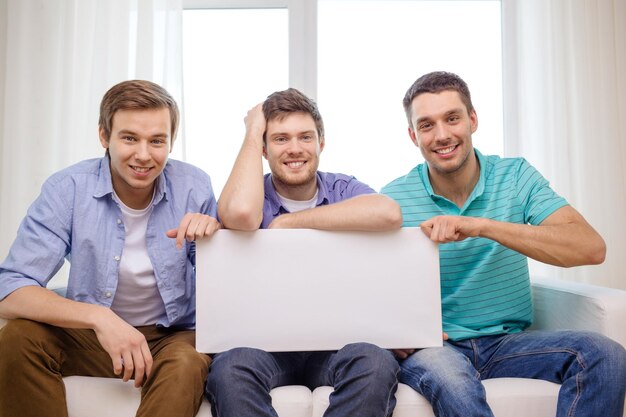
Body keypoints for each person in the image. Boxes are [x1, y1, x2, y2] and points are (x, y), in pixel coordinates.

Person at [381, 71, 626, 417]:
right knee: (454, 383)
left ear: (473, 119)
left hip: (507, 343)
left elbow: (590, 248)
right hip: (436, 347)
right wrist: (396, 331)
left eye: (452, 118)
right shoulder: (393, 199)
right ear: (412, 136)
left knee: (607, 355)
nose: (442, 135)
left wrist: (481, 226)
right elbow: (369, 287)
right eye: (426, 125)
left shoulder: (515, 177)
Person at [0, 80, 220, 417]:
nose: (143, 155)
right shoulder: (68, 189)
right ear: (104, 137)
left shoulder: (194, 186)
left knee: (188, 363)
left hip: (171, 336)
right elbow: (10, 288)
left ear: (171, 142)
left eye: (157, 141)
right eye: (129, 138)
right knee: (17, 339)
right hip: (92, 335)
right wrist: (99, 318)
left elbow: (224, 288)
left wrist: (214, 238)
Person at [206, 88, 402, 417]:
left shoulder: (343, 189)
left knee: (377, 361)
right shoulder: (252, 195)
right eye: (280, 139)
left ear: (320, 144)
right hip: (263, 348)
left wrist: (290, 223)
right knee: (229, 370)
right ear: (264, 149)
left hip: (335, 346)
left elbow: (388, 213)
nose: (295, 149)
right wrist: (253, 130)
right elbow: (240, 214)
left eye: (305, 137)